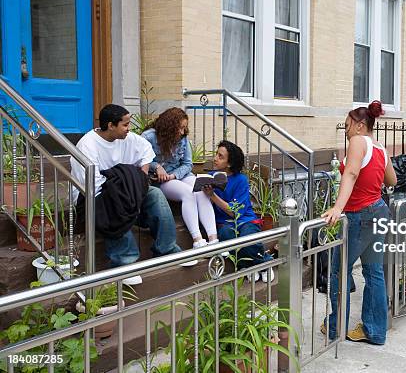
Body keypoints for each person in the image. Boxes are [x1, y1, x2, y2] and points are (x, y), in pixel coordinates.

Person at [71, 104, 192, 286]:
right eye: (125, 125)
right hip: (94, 197)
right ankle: (124, 263)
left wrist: (139, 181)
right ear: (111, 125)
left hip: (125, 191)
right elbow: (94, 186)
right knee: (115, 203)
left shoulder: (127, 138)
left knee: (155, 194)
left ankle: (167, 249)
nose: (129, 129)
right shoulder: (87, 145)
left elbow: (145, 154)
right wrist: (130, 184)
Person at [321, 101, 397, 345]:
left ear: (360, 124)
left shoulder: (357, 142)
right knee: (374, 271)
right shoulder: (381, 149)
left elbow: (352, 173)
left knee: (338, 270)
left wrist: (337, 208)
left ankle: (336, 326)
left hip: (359, 215)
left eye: (347, 125)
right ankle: (374, 331)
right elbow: (392, 179)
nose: (345, 130)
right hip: (379, 211)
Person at [142, 108, 218, 249]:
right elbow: (139, 159)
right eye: (180, 128)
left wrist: (175, 175)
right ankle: (198, 240)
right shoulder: (149, 137)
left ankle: (213, 239)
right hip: (161, 181)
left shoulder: (183, 138)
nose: (183, 132)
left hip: (179, 175)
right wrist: (157, 166)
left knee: (201, 189)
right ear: (169, 126)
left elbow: (188, 164)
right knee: (188, 193)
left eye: (184, 128)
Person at [203, 140, 273, 282]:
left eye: (220, 156)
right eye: (216, 154)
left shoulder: (241, 180)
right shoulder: (211, 177)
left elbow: (235, 212)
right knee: (226, 236)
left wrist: (212, 196)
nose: (215, 158)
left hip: (245, 220)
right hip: (225, 224)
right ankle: (246, 265)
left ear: (229, 164)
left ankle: (264, 263)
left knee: (248, 237)